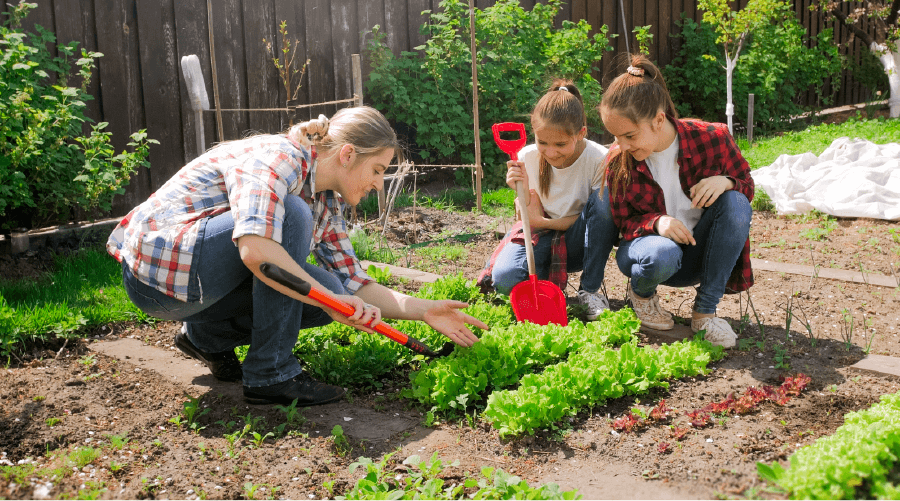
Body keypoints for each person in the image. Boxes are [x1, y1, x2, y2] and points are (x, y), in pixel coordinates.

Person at [107, 106, 487, 406]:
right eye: (377, 170)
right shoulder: (279, 157)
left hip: (195, 290)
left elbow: (355, 283)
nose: (377, 183)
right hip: (158, 277)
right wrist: (328, 297)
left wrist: (423, 309)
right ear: (348, 154)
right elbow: (257, 252)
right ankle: (270, 375)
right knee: (293, 222)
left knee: (329, 286)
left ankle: (206, 336)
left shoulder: (325, 201)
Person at [599, 54, 754, 348]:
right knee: (662, 252)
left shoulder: (712, 138)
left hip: (698, 255)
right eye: (616, 137)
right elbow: (623, 223)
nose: (622, 145)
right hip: (649, 255)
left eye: (629, 135)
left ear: (658, 119)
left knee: (735, 203)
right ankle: (642, 297)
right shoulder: (618, 160)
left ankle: (705, 315)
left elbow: (747, 187)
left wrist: (728, 182)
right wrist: (658, 222)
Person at [478, 80, 618, 321]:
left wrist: (540, 221)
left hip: (581, 240)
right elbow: (527, 219)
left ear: (581, 133)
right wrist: (518, 191)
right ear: (533, 134)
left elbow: (598, 218)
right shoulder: (525, 157)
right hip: (539, 235)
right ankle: (544, 284)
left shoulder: (599, 159)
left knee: (605, 201)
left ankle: (590, 290)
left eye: (561, 144)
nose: (551, 152)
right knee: (506, 280)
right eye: (542, 142)